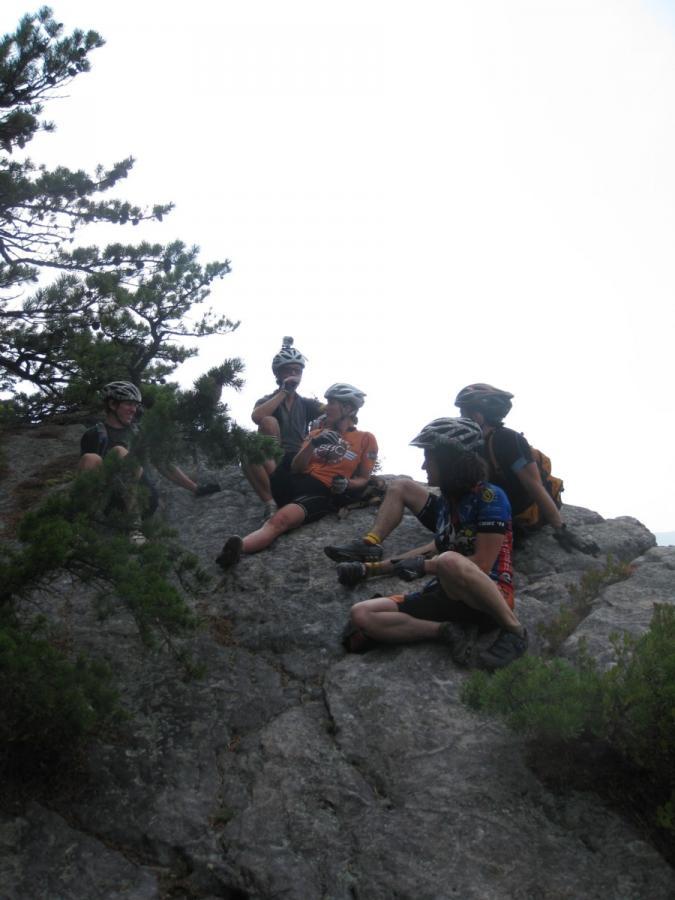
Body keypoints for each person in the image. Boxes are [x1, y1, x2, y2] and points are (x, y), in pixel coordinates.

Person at [329, 417, 528, 670]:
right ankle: (446, 631)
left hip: (486, 597)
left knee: (447, 560)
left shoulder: (490, 497)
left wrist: (424, 567)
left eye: (429, 458)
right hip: (447, 594)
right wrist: (371, 569)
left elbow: (482, 562)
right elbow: (434, 548)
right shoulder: (448, 503)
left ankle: (515, 632)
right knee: (362, 613)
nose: (424, 465)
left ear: (448, 461)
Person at [216, 383, 378, 568]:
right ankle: (270, 503)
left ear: (348, 408)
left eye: (332, 402)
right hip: (297, 480)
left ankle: (238, 549)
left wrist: (347, 484)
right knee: (252, 450)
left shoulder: (366, 439)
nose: (327, 407)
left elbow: (364, 478)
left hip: (320, 491)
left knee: (279, 521)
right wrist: (313, 443)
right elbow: (296, 467)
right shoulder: (317, 432)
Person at [454, 383, 597, 554]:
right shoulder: (471, 443)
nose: (462, 416)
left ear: (480, 415)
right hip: (493, 509)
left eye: (465, 411)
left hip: (523, 512)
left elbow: (534, 485)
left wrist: (562, 529)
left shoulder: (508, 440)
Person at [79, 381, 220, 544]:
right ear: (112, 404)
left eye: (136, 405)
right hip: (110, 501)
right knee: (90, 458)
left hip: (142, 498)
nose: (134, 409)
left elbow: (163, 463)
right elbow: (88, 471)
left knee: (119, 452)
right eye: (129, 404)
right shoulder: (94, 434)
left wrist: (196, 488)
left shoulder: (139, 432)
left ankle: (135, 528)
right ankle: (81, 523)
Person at [242, 337, 324, 522]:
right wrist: (284, 392)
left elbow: (328, 410)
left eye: (298, 370)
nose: (294, 373)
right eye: (289, 369)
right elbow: (257, 417)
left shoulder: (306, 403)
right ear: (278, 374)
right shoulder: (268, 400)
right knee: (265, 427)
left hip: (298, 458)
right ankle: (270, 504)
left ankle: (283, 483)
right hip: (274, 457)